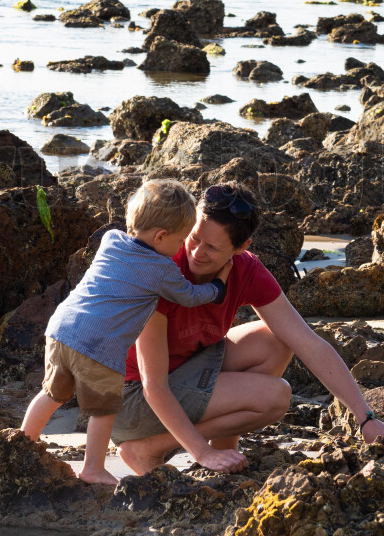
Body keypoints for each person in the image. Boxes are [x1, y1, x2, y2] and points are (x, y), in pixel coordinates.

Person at [112, 181, 384, 475]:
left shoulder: (246, 270)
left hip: (183, 371)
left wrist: (366, 418)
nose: (197, 252)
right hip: (129, 399)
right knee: (273, 398)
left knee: (276, 341)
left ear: (241, 248)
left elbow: (309, 344)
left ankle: (225, 448)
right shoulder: (162, 268)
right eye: (194, 237)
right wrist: (201, 452)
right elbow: (153, 385)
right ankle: (148, 449)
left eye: (212, 247)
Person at [22, 179, 232, 485]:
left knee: (52, 393)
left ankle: (22, 444)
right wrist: (218, 287)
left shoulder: (111, 239)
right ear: (161, 236)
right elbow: (188, 295)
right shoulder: (161, 269)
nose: (180, 249)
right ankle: (92, 468)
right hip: (98, 344)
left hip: (61, 329)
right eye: (180, 241)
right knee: (104, 408)